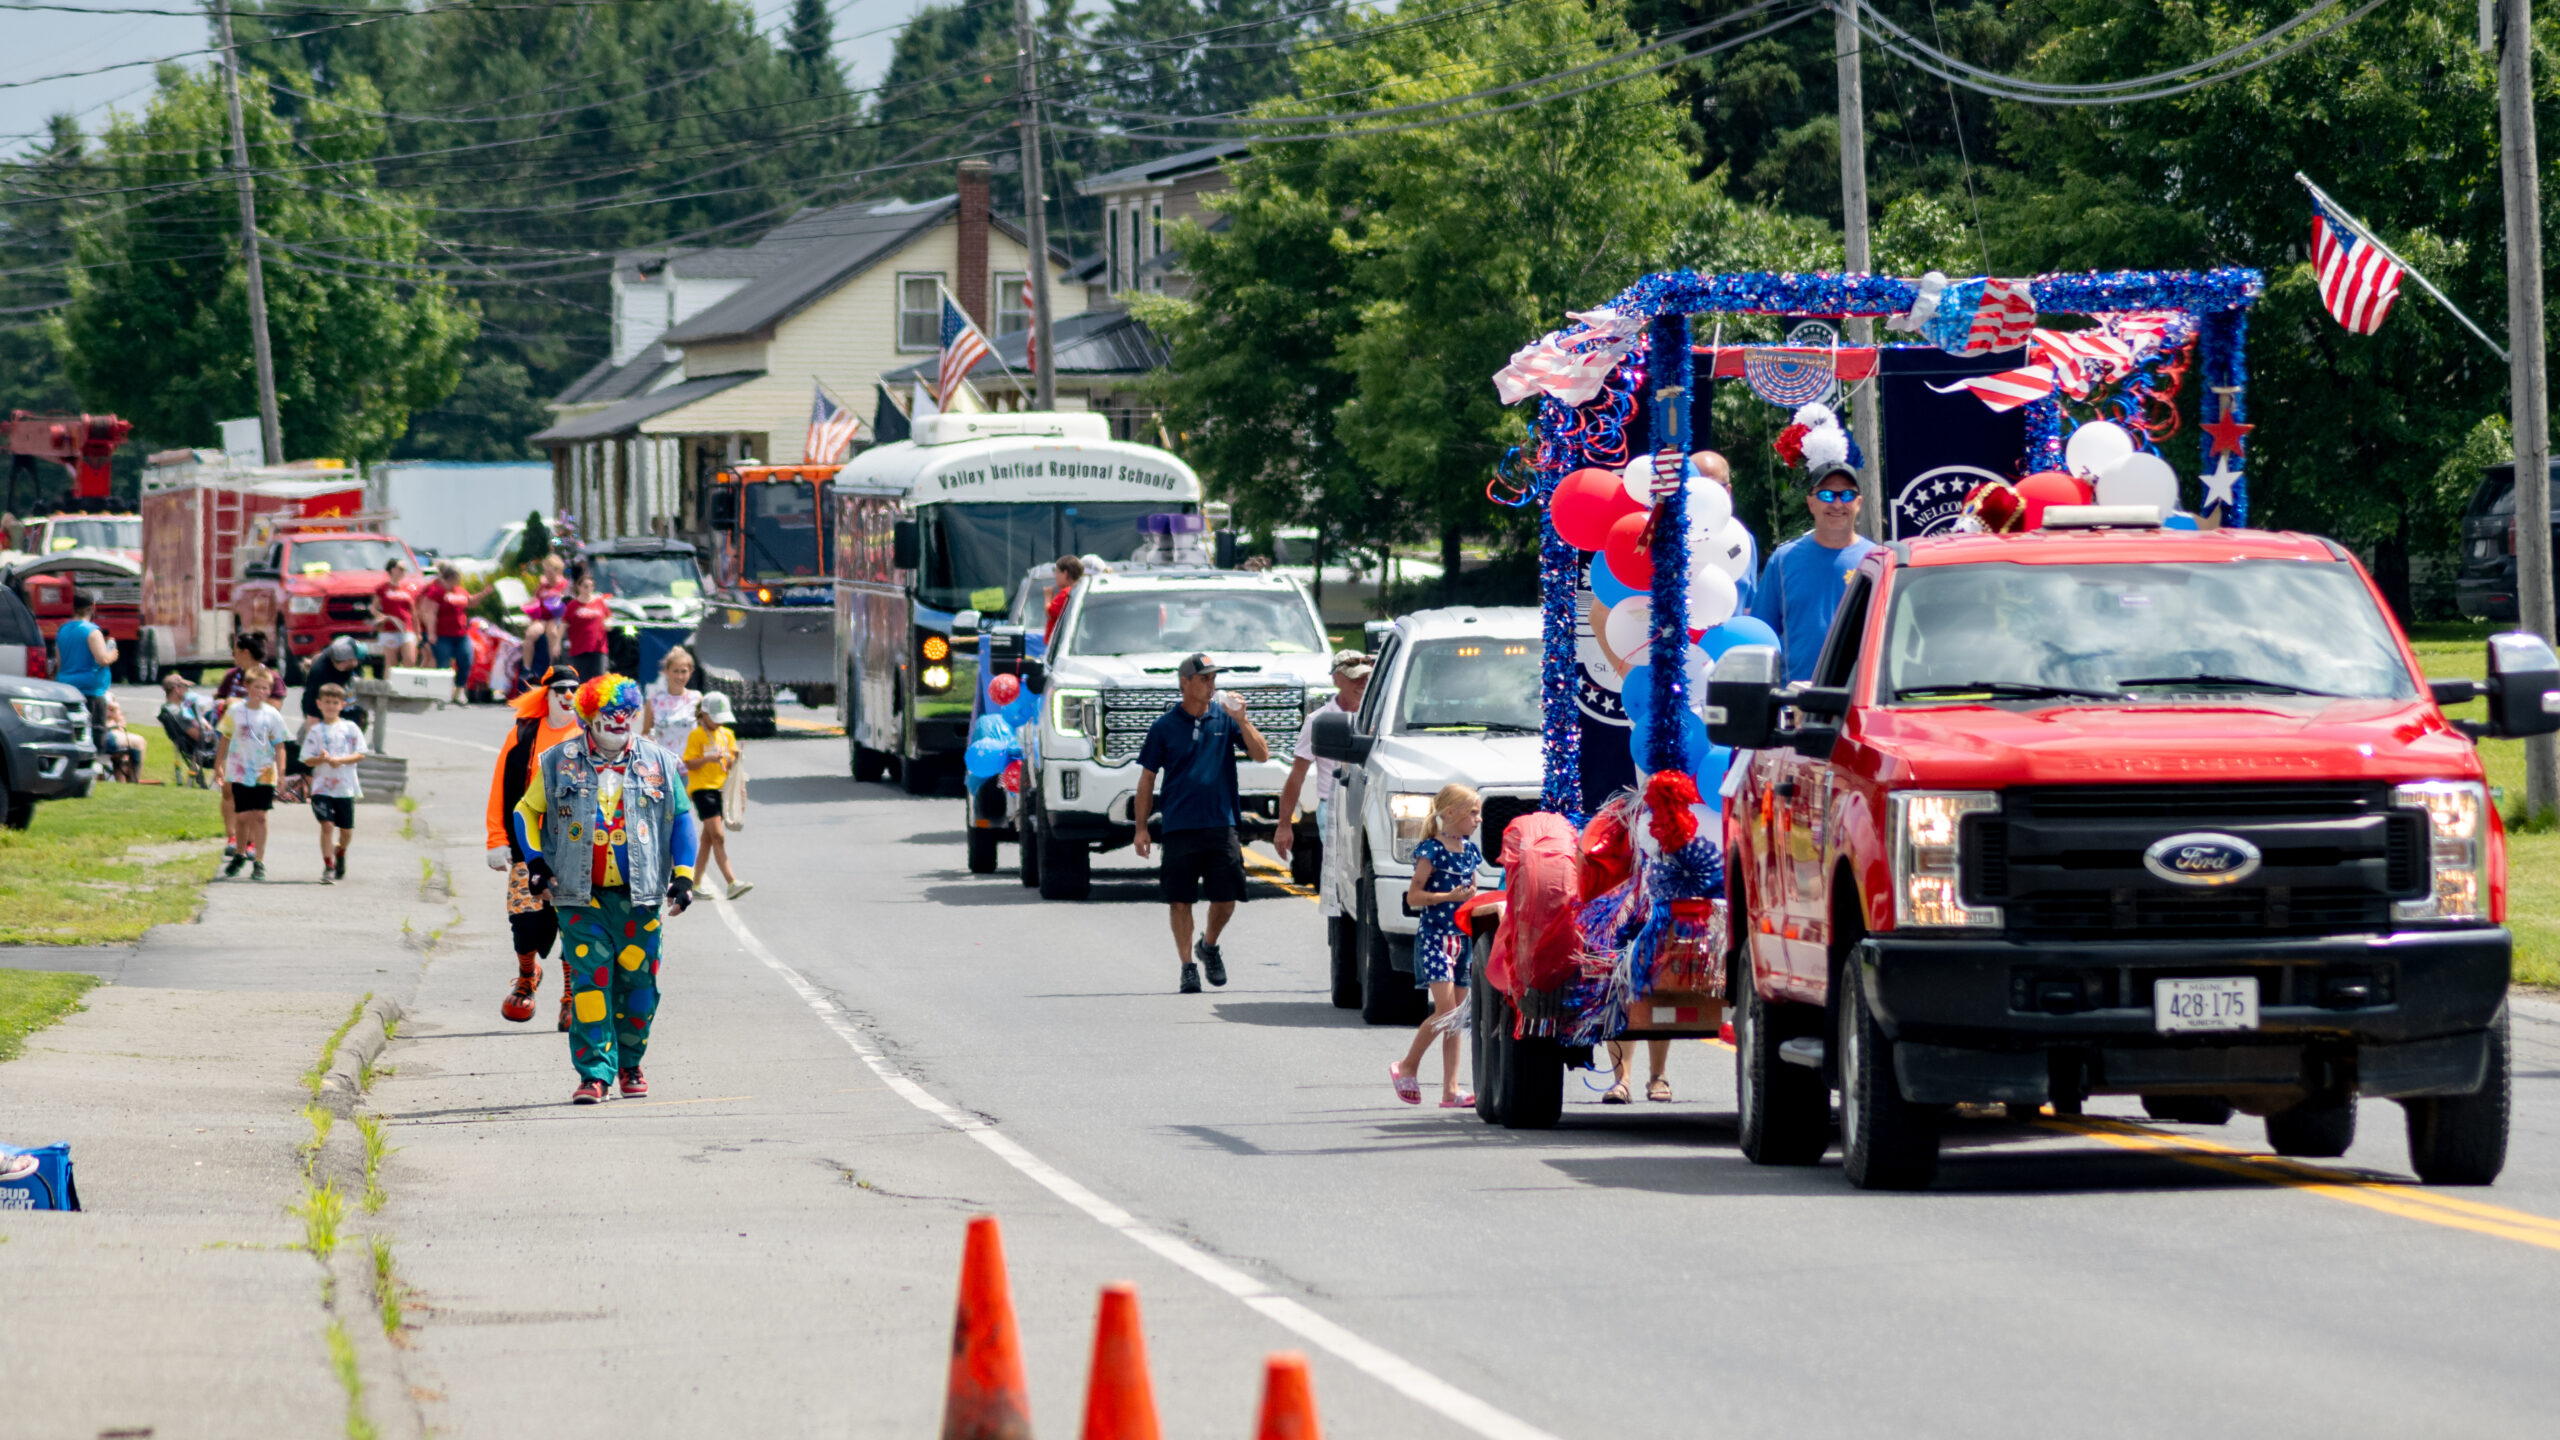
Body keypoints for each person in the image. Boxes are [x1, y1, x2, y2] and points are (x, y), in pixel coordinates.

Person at [512, 674, 699, 1105]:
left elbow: (681, 818)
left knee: (638, 988)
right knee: (590, 983)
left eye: (627, 712)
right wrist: (535, 864)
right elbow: (525, 811)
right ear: (589, 715)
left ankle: (630, 1063)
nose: (619, 720)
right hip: (581, 899)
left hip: (640, 900)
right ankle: (595, 1073)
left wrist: (684, 876)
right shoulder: (557, 761)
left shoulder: (660, 761)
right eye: (609, 713)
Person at [1132, 653, 1269, 994]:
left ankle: (1208, 945)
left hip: (1221, 823)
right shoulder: (1163, 727)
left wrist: (1243, 720)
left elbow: (1261, 754)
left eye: (1213, 679)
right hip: (1179, 826)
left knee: (1227, 898)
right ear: (1185, 683)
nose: (1211, 685)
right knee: (1180, 901)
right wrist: (1141, 827)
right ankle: (1187, 967)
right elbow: (1147, 779)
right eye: (1204, 679)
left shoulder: (1225, 718)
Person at [487, 667, 584, 1028]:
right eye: (560, 689)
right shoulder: (523, 734)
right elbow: (500, 787)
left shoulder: (589, 736)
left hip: (576, 847)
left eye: (574, 689)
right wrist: (496, 839)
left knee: (574, 924)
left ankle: (571, 996)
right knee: (525, 922)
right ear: (546, 694)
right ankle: (527, 975)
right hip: (528, 846)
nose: (568, 695)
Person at [1388, 784, 1481, 1107]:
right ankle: (1407, 1065)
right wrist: (1448, 897)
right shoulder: (1431, 850)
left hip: (1462, 939)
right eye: (1473, 812)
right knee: (1446, 1011)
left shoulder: (1470, 851)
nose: (1478, 819)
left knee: (1457, 1018)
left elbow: (1470, 894)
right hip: (1436, 938)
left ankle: (1450, 1090)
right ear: (1451, 813)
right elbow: (1414, 897)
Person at [1749, 464, 1878, 683]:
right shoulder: (1782, 561)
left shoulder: (1876, 559)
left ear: (1858, 502)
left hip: (1860, 693)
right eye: (1826, 495)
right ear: (1811, 503)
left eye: (1847, 494)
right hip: (1798, 694)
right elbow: (1761, 637)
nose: (1837, 504)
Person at [1271, 648, 1372, 879]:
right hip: (1335, 806)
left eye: (1366, 677)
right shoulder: (1318, 721)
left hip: (1372, 802)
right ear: (1336, 680)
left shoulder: (1378, 717)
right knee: (1340, 877)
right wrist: (1284, 825)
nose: (1362, 683)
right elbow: (1297, 775)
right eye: (1355, 678)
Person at [214, 668, 291, 881]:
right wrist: (218, 764)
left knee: (260, 816)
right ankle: (239, 853)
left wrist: (282, 773)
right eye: (256, 687)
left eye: (265, 688)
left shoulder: (272, 715)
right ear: (247, 687)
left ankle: (259, 860)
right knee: (242, 816)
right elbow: (225, 738)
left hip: (264, 771)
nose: (260, 692)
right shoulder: (235, 711)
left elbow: (280, 745)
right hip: (240, 770)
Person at [680, 691, 751, 898]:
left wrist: (735, 758)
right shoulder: (696, 735)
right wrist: (708, 759)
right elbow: (688, 762)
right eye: (715, 718)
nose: (719, 723)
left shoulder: (727, 734)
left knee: (708, 839)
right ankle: (731, 882)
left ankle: (694, 884)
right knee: (718, 836)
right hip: (703, 789)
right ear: (703, 715)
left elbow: (730, 763)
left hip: (721, 789)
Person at [212, 632, 272, 859]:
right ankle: (232, 837)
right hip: (233, 740)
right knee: (228, 789)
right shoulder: (232, 676)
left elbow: (274, 706)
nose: (233, 656)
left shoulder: (269, 677)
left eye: (235, 651)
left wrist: (240, 702)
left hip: (258, 746)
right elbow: (218, 699)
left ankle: (251, 841)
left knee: (254, 797)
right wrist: (222, 703)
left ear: (246, 652)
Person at [303, 682, 366, 883]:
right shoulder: (315, 731)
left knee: (346, 831)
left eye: (335, 702)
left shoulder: (350, 728)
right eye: (327, 702)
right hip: (322, 787)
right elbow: (307, 759)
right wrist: (320, 759)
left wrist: (340, 760)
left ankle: (340, 851)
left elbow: (360, 754)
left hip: (344, 787)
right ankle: (328, 865)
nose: (331, 706)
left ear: (342, 705)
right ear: (319, 704)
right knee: (327, 825)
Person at [51, 590, 115, 739]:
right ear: (93, 606)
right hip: (90, 691)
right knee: (95, 732)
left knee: (71, 732)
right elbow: (102, 659)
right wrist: (113, 653)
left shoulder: (62, 630)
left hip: (66, 688)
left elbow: (59, 662)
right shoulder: (92, 631)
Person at [423, 562, 475, 702]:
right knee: (444, 663)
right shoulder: (436, 591)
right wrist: (431, 633)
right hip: (443, 634)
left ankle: (459, 690)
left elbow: (470, 602)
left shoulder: (460, 590)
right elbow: (430, 613)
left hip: (461, 633)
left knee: (466, 659)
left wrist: (484, 594)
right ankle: (443, 692)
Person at [522, 553, 569, 678]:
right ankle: (527, 669)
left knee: (552, 632)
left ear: (558, 571)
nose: (547, 574)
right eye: (545, 571)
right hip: (542, 618)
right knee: (530, 634)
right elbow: (534, 600)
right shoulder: (543, 586)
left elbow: (568, 603)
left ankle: (553, 667)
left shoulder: (564, 586)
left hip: (557, 617)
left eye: (550, 571)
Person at [562, 567, 611, 681]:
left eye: (591, 586)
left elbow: (608, 617)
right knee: (583, 679)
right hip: (580, 648)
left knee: (599, 679)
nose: (589, 589)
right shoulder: (573, 605)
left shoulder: (599, 602)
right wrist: (556, 643)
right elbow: (564, 623)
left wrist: (608, 623)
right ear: (579, 587)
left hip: (598, 648)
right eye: (585, 586)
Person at [641, 645, 699, 740]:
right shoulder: (653, 701)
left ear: (691, 672)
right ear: (666, 671)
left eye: (684, 671)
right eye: (675, 671)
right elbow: (645, 733)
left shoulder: (697, 698)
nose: (680, 676)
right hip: (661, 749)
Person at [373, 557, 419, 668]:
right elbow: (373, 608)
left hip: (406, 628)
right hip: (389, 628)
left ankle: (407, 679)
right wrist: (381, 616)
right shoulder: (382, 588)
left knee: (410, 661)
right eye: (401, 568)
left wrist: (418, 632)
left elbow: (413, 612)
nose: (404, 571)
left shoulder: (408, 588)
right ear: (392, 569)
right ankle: (389, 680)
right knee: (391, 663)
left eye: (405, 569)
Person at [98, 694, 144, 782]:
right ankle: (134, 781)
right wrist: (113, 724)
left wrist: (117, 723)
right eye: (109, 710)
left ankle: (121, 783)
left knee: (121, 755)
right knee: (138, 742)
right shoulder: (98, 694)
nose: (109, 713)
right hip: (101, 737)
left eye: (111, 710)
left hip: (103, 734)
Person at [1043, 554, 1084, 645]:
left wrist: (1048, 597)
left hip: (1057, 643)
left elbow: (1050, 613)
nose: (1055, 576)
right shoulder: (1079, 590)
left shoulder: (1066, 593)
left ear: (1065, 573)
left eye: (1057, 573)